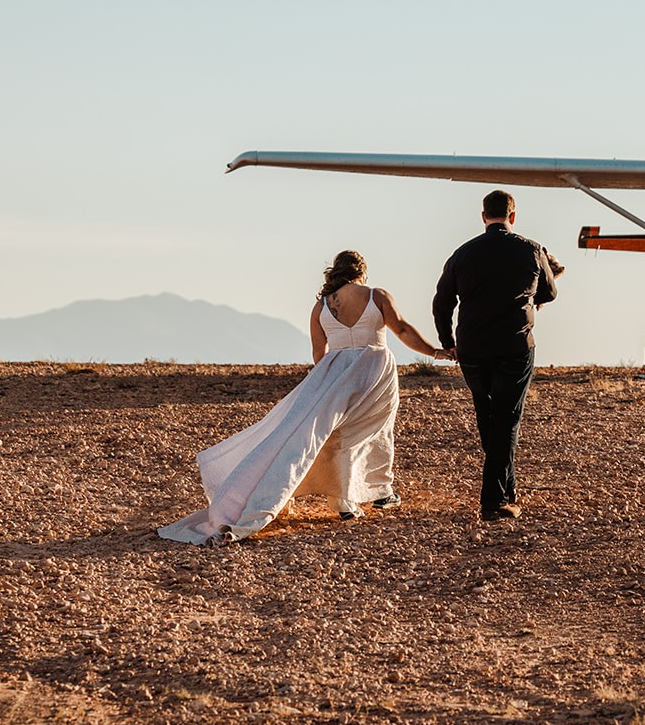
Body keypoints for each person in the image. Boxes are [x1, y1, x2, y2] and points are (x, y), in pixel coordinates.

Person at [159, 251, 450, 546]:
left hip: (333, 372)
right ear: (362, 272)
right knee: (371, 429)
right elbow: (401, 328)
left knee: (327, 433)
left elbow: (318, 352)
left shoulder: (321, 306)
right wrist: (436, 352)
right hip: (373, 369)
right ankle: (376, 492)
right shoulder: (377, 295)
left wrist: (326, 383)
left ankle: (348, 498)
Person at [433, 190, 558, 521]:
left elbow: (442, 301)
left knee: (489, 417)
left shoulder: (463, 254)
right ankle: (493, 501)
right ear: (513, 216)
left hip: (472, 349)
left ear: (483, 216)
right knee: (506, 418)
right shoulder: (531, 250)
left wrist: (448, 341)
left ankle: (508, 490)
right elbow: (550, 292)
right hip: (515, 346)